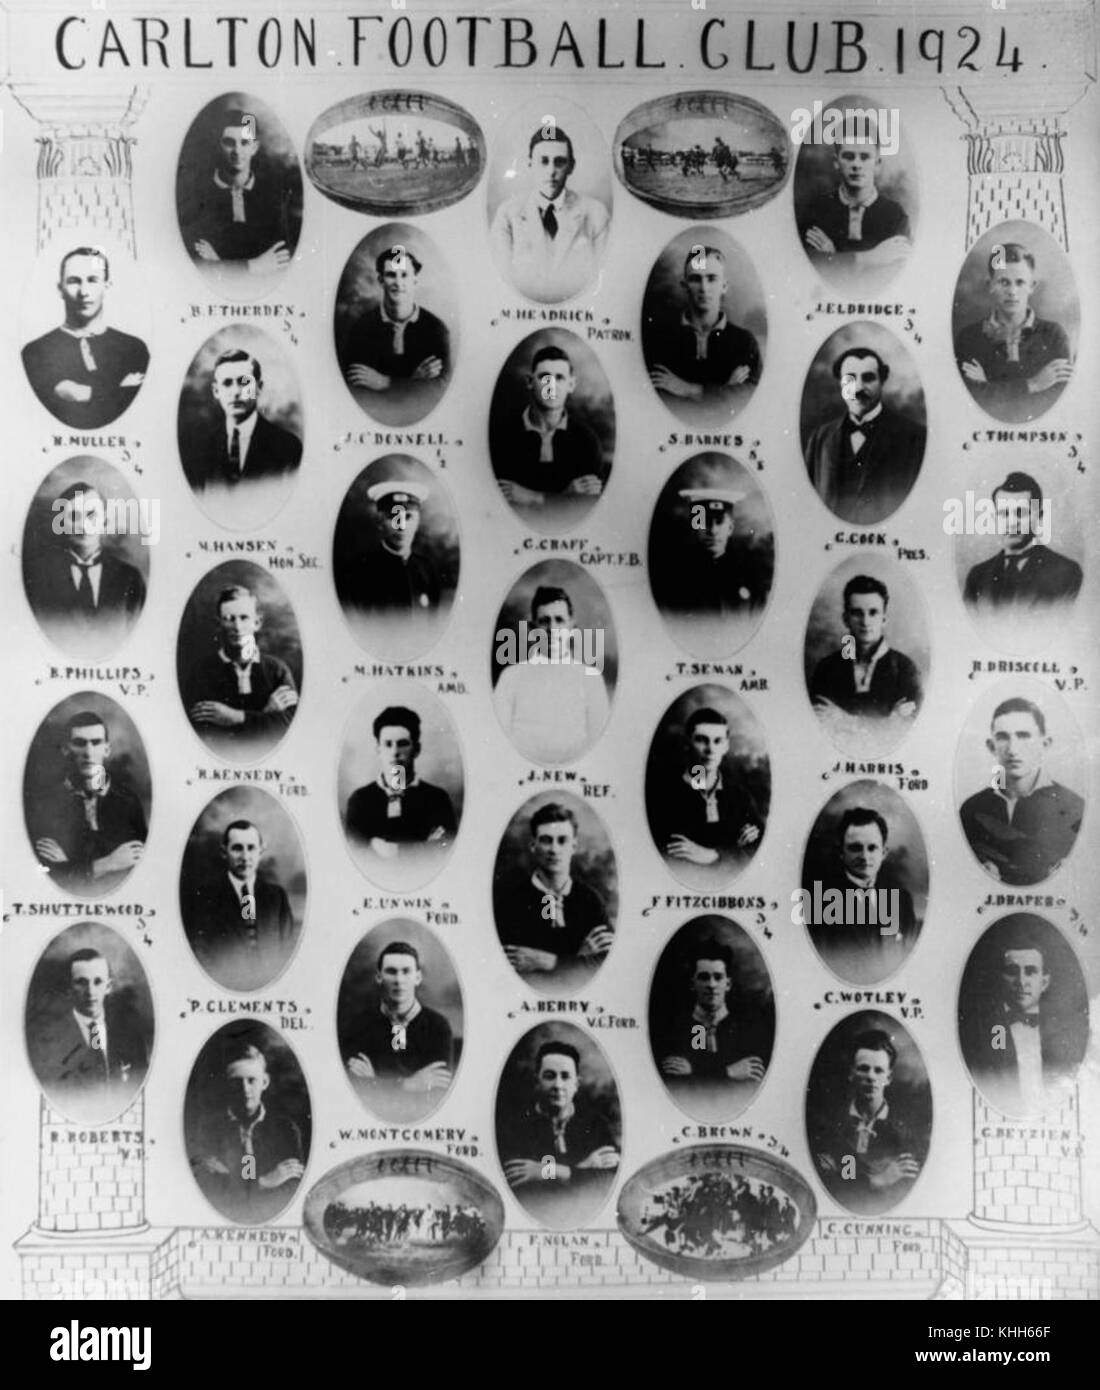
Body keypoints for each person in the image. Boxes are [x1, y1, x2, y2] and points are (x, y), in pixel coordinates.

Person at [22, 246, 149, 429]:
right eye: (74, 281)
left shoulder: (133, 348)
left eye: (92, 280)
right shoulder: (36, 351)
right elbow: (70, 393)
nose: (84, 292)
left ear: (107, 286)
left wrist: (92, 392)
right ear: (60, 289)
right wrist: (121, 387)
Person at [959, 698, 1083, 885]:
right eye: (1002, 737)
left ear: (1045, 744)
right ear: (991, 747)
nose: (1013, 749)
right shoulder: (970, 809)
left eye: (1024, 735)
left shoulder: (1076, 808)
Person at [961, 932, 1085, 1114]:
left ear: (1044, 982)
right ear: (1001, 979)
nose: (1021, 981)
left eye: (1030, 971)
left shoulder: (1064, 1031)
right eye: (1012, 971)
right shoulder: (990, 1030)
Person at [493, 802, 614, 989]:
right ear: (533, 845)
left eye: (562, 840)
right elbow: (514, 970)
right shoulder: (510, 903)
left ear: (574, 846)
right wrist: (579, 956)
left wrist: (552, 962)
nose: (554, 849)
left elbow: (604, 966)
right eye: (546, 840)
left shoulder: (590, 900)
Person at [803, 346, 925, 525]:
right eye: (850, 379)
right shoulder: (820, 439)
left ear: (882, 381)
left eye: (868, 378)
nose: (859, 387)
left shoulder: (915, 438)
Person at [29, 709, 147, 893]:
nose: (89, 752)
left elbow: (139, 869)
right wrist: (109, 863)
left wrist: (71, 866)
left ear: (107, 749)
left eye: (96, 742)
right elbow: (52, 876)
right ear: (65, 749)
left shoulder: (128, 802)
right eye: (79, 743)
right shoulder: (46, 804)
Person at [490, 125, 610, 303]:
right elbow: (501, 284)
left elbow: (603, 283)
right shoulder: (508, 215)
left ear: (571, 166)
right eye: (543, 161)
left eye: (559, 161)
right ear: (530, 164)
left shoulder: (595, 213)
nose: (551, 171)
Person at [954, 243, 1073, 421]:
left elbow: (1056, 404)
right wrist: (1033, 384)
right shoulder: (969, 337)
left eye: (1020, 282)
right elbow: (971, 400)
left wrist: (989, 386)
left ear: (1032, 286)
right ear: (989, 285)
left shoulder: (1054, 335)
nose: (1012, 291)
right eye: (1003, 282)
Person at [809, 1028, 923, 1214]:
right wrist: (876, 1180)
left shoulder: (906, 1132)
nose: (871, 1076)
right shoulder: (829, 1127)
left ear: (889, 1077)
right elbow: (829, 1175)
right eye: (863, 1068)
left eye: (878, 1070)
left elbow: (907, 1188)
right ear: (851, 1073)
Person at [493, 585, 610, 764]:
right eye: (544, 621)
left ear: (572, 628)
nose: (552, 629)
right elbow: (499, 743)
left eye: (559, 620)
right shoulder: (511, 677)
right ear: (533, 628)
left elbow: (599, 745)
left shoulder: (591, 678)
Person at [189, 1042, 305, 1222]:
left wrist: (231, 1180)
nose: (245, 1089)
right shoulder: (208, 1129)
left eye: (251, 1080)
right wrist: (265, 1181)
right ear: (226, 1085)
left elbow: (293, 1188)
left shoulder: (286, 1130)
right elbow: (207, 1186)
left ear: (265, 1082)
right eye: (236, 1082)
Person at [490, 345, 607, 521]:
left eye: (559, 378)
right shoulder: (501, 436)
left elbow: (584, 510)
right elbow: (498, 508)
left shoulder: (587, 440)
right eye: (545, 378)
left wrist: (531, 496)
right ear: (530, 382)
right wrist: (566, 495)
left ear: (571, 384)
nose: (551, 387)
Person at [499, 1041, 619, 1212]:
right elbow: (524, 1188)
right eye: (549, 1076)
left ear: (576, 1084)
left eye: (565, 1076)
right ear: (537, 1081)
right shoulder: (515, 1127)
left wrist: (546, 1171)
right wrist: (584, 1168)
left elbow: (607, 1183)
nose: (558, 1085)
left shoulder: (596, 1125)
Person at [24, 481, 145, 646]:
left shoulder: (130, 579)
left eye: (91, 515)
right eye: (73, 516)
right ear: (61, 524)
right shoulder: (37, 577)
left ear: (104, 520)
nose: (83, 525)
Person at [343, 941, 454, 1119]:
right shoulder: (358, 1025)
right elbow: (357, 1089)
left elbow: (436, 1094)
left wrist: (375, 1081)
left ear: (418, 977)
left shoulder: (438, 1027)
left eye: (406, 971)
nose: (399, 980)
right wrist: (408, 1084)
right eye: (391, 971)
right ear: (379, 977)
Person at [647, 706, 764, 876]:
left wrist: (714, 856)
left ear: (726, 746)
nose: (710, 749)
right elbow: (670, 858)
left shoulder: (739, 796)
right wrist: (734, 848)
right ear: (687, 742)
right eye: (702, 740)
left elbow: (756, 857)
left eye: (718, 741)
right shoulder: (664, 795)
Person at [643, 246, 761, 413]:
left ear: (724, 286)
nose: (704, 288)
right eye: (696, 279)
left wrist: (690, 390)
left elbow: (748, 399)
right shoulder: (660, 340)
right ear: (684, 285)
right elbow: (659, 401)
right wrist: (725, 389)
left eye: (712, 278)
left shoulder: (744, 342)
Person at [182, 585, 299, 751]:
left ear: (256, 623)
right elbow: (205, 737)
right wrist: (266, 713)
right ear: (219, 623)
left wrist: (237, 717)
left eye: (244, 617)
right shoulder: (201, 672)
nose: (237, 627)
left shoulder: (278, 671)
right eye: (229, 618)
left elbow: (288, 731)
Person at [184, 819, 297, 990]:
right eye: (237, 848)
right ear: (224, 852)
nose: (245, 857)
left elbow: (288, 950)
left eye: (251, 848)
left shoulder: (277, 897)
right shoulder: (203, 898)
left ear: (261, 851)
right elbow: (199, 954)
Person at [31, 947, 148, 1113]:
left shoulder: (130, 1035)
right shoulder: (47, 1041)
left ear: (109, 987)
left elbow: (139, 1085)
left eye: (98, 981)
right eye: (81, 982)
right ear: (68, 989)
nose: (91, 992)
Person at [806, 807, 916, 981]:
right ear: (841, 853)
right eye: (855, 848)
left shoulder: (901, 900)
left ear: (884, 853)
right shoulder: (818, 906)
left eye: (872, 848)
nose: (865, 856)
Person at [652, 939, 771, 1100]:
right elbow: (683, 1081)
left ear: (728, 984)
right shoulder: (689, 1029)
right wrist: (728, 1072)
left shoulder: (747, 1029)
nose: (712, 985)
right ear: (692, 984)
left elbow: (752, 1082)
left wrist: (696, 1070)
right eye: (704, 977)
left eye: (718, 977)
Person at [179, 108, 293, 273]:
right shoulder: (196, 196)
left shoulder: (274, 195)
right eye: (229, 142)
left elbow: (281, 259)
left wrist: (221, 264)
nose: (237, 151)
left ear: (254, 147)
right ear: (219, 145)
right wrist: (254, 266)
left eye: (245, 142)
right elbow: (200, 267)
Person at [345, 706, 457, 861]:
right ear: (378, 749)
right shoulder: (360, 800)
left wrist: (394, 850)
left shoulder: (437, 799)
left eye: (402, 743)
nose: (395, 752)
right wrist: (421, 848)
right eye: (388, 744)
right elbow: (356, 856)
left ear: (416, 749)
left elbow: (443, 852)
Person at [798, 125, 911, 277]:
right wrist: (870, 259)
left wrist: (834, 258)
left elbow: (897, 274)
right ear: (836, 162)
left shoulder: (895, 216)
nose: (856, 165)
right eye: (849, 156)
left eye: (864, 157)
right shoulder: (816, 210)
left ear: (877, 164)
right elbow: (808, 266)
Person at [340, 246, 450, 402]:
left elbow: (438, 391)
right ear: (381, 280)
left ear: (415, 281)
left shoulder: (437, 330)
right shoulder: (361, 329)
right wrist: (414, 379)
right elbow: (357, 389)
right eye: (391, 275)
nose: (398, 283)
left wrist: (386, 383)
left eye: (404, 275)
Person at [809, 574, 922, 726]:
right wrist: (887, 720)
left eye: (873, 612)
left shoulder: (905, 669)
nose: (865, 621)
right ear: (845, 619)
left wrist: (844, 719)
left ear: (884, 619)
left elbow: (902, 730)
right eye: (857, 613)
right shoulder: (826, 669)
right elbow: (820, 724)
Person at [183, 349, 301, 491]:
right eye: (227, 383)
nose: (236, 392)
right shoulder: (201, 449)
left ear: (258, 388)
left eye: (244, 382)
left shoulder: (288, 447)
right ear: (216, 391)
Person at [963, 472, 1082, 610]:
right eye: (1004, 513)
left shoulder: (1067, 573)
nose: (1012, 522)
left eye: (1021, 513)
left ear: (1039, 516)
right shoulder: (977, 576)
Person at [650, 483, 770, 618]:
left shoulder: (750, 577)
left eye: (719, 522)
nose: (712, 531)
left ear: (730, 528)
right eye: (705, 522)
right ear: (694, 526)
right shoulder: (673, 579)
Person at [335, 480, 443, 623]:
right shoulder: (357, 572)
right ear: (380, 522)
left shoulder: (427, 570)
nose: (401, 526)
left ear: (417, 522)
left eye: (408, 517)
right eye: (393, 517)